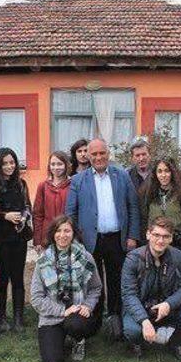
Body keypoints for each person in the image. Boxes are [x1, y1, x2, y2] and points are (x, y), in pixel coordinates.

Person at [65, 138, 140, 338]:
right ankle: (95, 322)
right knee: (93, 283)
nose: (98, 157)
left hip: (118, 240)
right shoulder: (78, 180)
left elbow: (133, 207)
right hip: (90, 241)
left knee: (118, 281)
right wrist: (75, 241)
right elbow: (71, 213)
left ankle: (116, 320)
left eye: (102, 153)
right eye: (94, 154)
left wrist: (132, 236)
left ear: (108, 154)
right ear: (88, 156)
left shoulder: (122, 176)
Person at [121, 216, 181, 360]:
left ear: (171, 239)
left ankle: (176, 343)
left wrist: (168, 304)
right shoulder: (133, 259)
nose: (160, 240)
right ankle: (137, 343)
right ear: (148, 235)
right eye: (156, 235)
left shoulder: (178, 256)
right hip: (141, 307)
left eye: (165, 236)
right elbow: (128, 294)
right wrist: (144, 321)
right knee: (132, 330)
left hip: (166, 308)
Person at [30, 215, 102, 362]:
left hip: (77, 314)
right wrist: (62, 311)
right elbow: (36, 298)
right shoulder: (43, 261)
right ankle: (58, 338)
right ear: (53, 234)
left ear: (74, 233)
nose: (62, 235)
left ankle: (78, 340)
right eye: (58, 231)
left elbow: (96, 287)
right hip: (51, 317)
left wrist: (88, 306)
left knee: (76, 325)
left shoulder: (86, 257)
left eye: (67, 231)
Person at [0, 147, 32, 333]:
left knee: (18, 278)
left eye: (12, 162)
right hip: (0, 238)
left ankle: (18, 319)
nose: (9, 166)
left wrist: (24, 216)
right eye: (5, 163)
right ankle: (1, 317)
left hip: (19, 237)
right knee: (2, 279)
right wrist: (4, 215)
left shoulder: (21, 184)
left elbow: (28, 206)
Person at [139, 157, 181, 256]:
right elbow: (145, 219)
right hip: (156, 243)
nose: (163, 175)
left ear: (173, 173)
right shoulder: (149, 194)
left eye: (167, 171)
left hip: (176, 243)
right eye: (159, 171)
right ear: (155, 174)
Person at [33, 151, 72, 252]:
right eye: (53, 164)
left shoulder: (73, 185)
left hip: (67, 235)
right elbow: (38, 214)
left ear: (66, 165)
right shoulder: (43, 186)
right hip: (47, 235)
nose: (56, 167)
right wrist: (37, 240)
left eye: (60, 164)